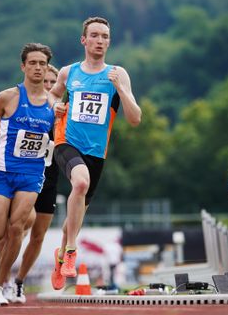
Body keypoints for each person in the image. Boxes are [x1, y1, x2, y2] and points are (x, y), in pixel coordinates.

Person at [48, 17, 141, 289]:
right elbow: (52, 95)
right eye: (95, 35)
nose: (100, 41)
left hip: (96, 153)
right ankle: (72, 252)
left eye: (105, 36)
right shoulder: (68, 72)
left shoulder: (117, 74)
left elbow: (135, 118)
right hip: (66, 142)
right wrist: (56, 106)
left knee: (73, 219)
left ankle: (62, 252)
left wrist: (121, 89)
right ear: (84, 40)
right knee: (80, 182)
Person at [0, 43, 55, 306]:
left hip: (32, 175)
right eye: (32, 63)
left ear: (47, 68)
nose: (37, 67)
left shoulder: (54, 104)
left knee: (17, 228)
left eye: (42, 63)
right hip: (3, 172)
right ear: (23, 66)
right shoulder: (8, 97)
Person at [0, 64, 60, 303]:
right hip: (22, 174)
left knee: (39, 235)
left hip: (49, 176)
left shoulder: (58, 110)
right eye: (46, 81)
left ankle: (19, 281)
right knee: (15, 229)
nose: (50, 86)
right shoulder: (25, 106)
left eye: (54, 83)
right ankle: (1, 281)